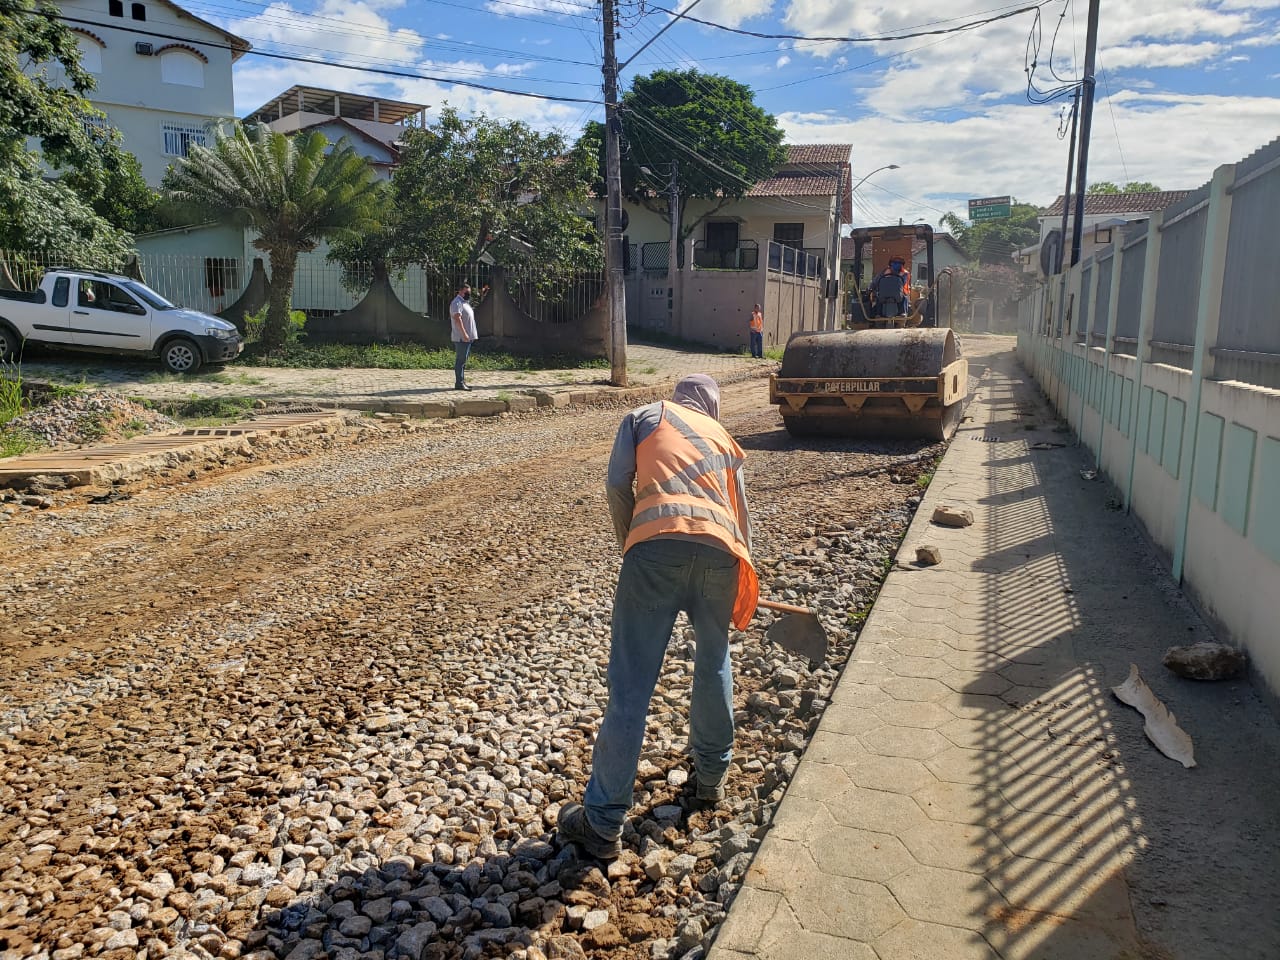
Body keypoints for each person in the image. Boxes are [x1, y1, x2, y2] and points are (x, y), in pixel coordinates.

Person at [556, 374, 758, 860]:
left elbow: (615, 482)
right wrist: (737, 576)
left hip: (655, 553)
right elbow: (742, 516)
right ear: (711, 405)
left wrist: (633, 539)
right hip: (721, 557)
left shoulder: (646, 416)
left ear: (677, 395)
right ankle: (711, 779)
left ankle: (603, 821)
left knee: (631, 684)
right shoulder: (724, 439)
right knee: (713, 661)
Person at [449, 283, 477, 391]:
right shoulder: (457, 303)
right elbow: (457, 319)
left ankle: (462, 381)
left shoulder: (464, 302)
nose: (468, 294)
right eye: (466, 292)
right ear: (460, 291)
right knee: (460, 360)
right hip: (461, 337)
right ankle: (459, 383)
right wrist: (464, 334)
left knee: (463, 360)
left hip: (467, 337)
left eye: (469, 292)